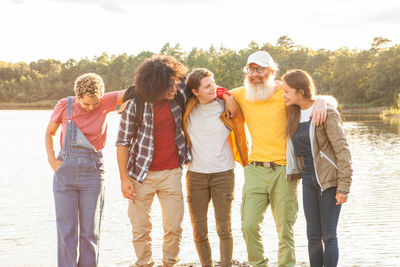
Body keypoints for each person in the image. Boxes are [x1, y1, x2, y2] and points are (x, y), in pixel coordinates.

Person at [230, 51, 335, 267]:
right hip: (254, 169)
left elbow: (315, 97)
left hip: (285, 170)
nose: (255, 74)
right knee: (248, 224)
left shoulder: (284, 94)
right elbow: (216, 92)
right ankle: (259, 263)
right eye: (251, 69)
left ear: (272, 71)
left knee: (285, 229)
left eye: (259, 69)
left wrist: (323, 101)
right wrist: (224, 98)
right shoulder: (241, 94)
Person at [45, 73, 125, 267]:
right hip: (65, 173)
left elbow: (134, 91)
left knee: (90, 231)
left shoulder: (105, 101)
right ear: (78, 96)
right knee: (67, 230)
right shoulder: (65, 105)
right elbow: (50, 132)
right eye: (86, 104)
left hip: (93, 173)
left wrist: (125, 106)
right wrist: (53, 161)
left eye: (95, 103)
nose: (91, 108)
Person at [283, 69, 352, 267]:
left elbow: (342, 150)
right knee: (312, 234)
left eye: (287, 91)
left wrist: (344, 185)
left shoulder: (326, 112)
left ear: (300, 91)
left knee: (329, 234)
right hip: (307, 177)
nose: (283, 95)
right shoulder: (293, 112)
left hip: (328, 178)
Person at [183, 68, 248, 267]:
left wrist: (226, 95)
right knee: (199, 229)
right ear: (195, 91)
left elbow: (242, 99)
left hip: (223, 174)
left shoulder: (227, 106)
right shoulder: (187, 107)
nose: (214, 88)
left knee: (224, 228)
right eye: (207, 86)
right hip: (195, 176)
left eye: (214, 83)